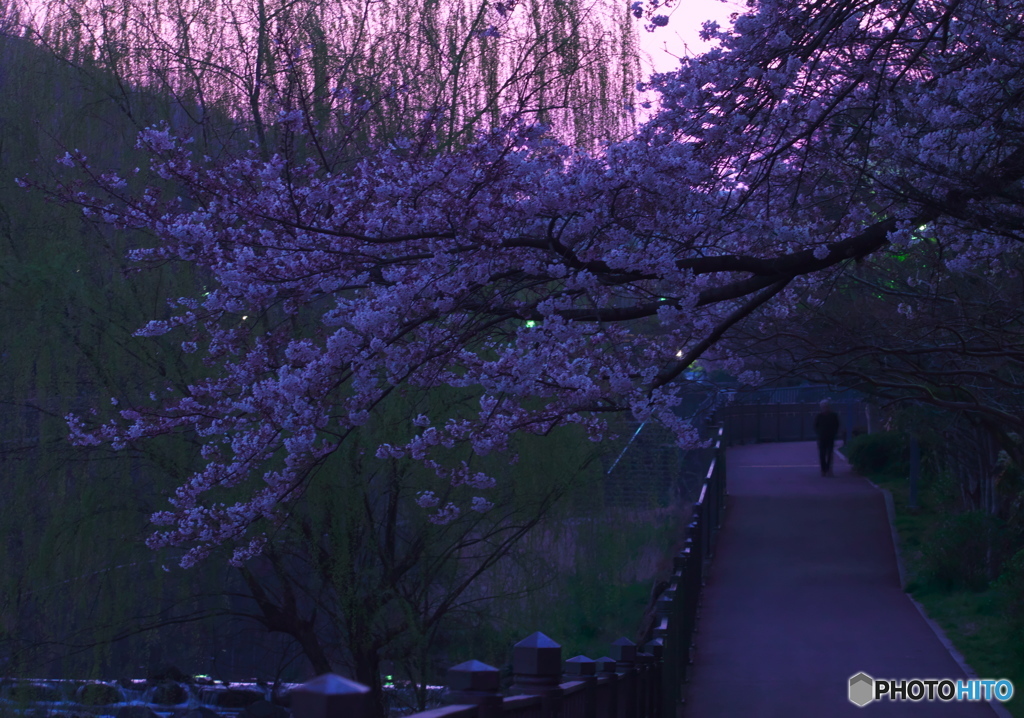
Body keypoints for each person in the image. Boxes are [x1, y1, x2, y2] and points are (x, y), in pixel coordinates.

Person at [814, 399, 840, 477]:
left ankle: (829, 469)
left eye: (826, 406)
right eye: (823, 407)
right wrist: (819, 433)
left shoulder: (833, 415)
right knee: (822, 454)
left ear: (828, 407)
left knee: (829, 454)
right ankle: (823, 469)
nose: (825, 408)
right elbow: (816, 426)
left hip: (830, 437)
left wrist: (834, 433)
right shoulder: (819, 416)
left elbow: (837, 425)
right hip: (822, 438)